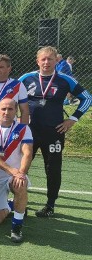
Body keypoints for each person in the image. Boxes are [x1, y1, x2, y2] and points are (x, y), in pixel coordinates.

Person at [19, 46, 92, 217]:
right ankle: (20, 202)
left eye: (50, 59)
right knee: (22, 167)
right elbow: (10, 97)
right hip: (29, 132)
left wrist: (72, 120)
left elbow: (87, 98)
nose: (46, 62)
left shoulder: (65, 80)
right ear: (37, 61)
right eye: (43, 59)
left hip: (54, 133)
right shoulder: (26, 78)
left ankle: (50, 205)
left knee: (53, 168)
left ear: (56, 61)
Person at [0, 98, 33, 243]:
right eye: (3, 109)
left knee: (20, 184)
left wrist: (20, 173)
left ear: (16, 111)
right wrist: (11, 170)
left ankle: (17, 227)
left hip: (14, 176)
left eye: (10, 109)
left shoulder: (23, 128)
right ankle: (11, 204)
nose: (6, 112)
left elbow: (27, 153)